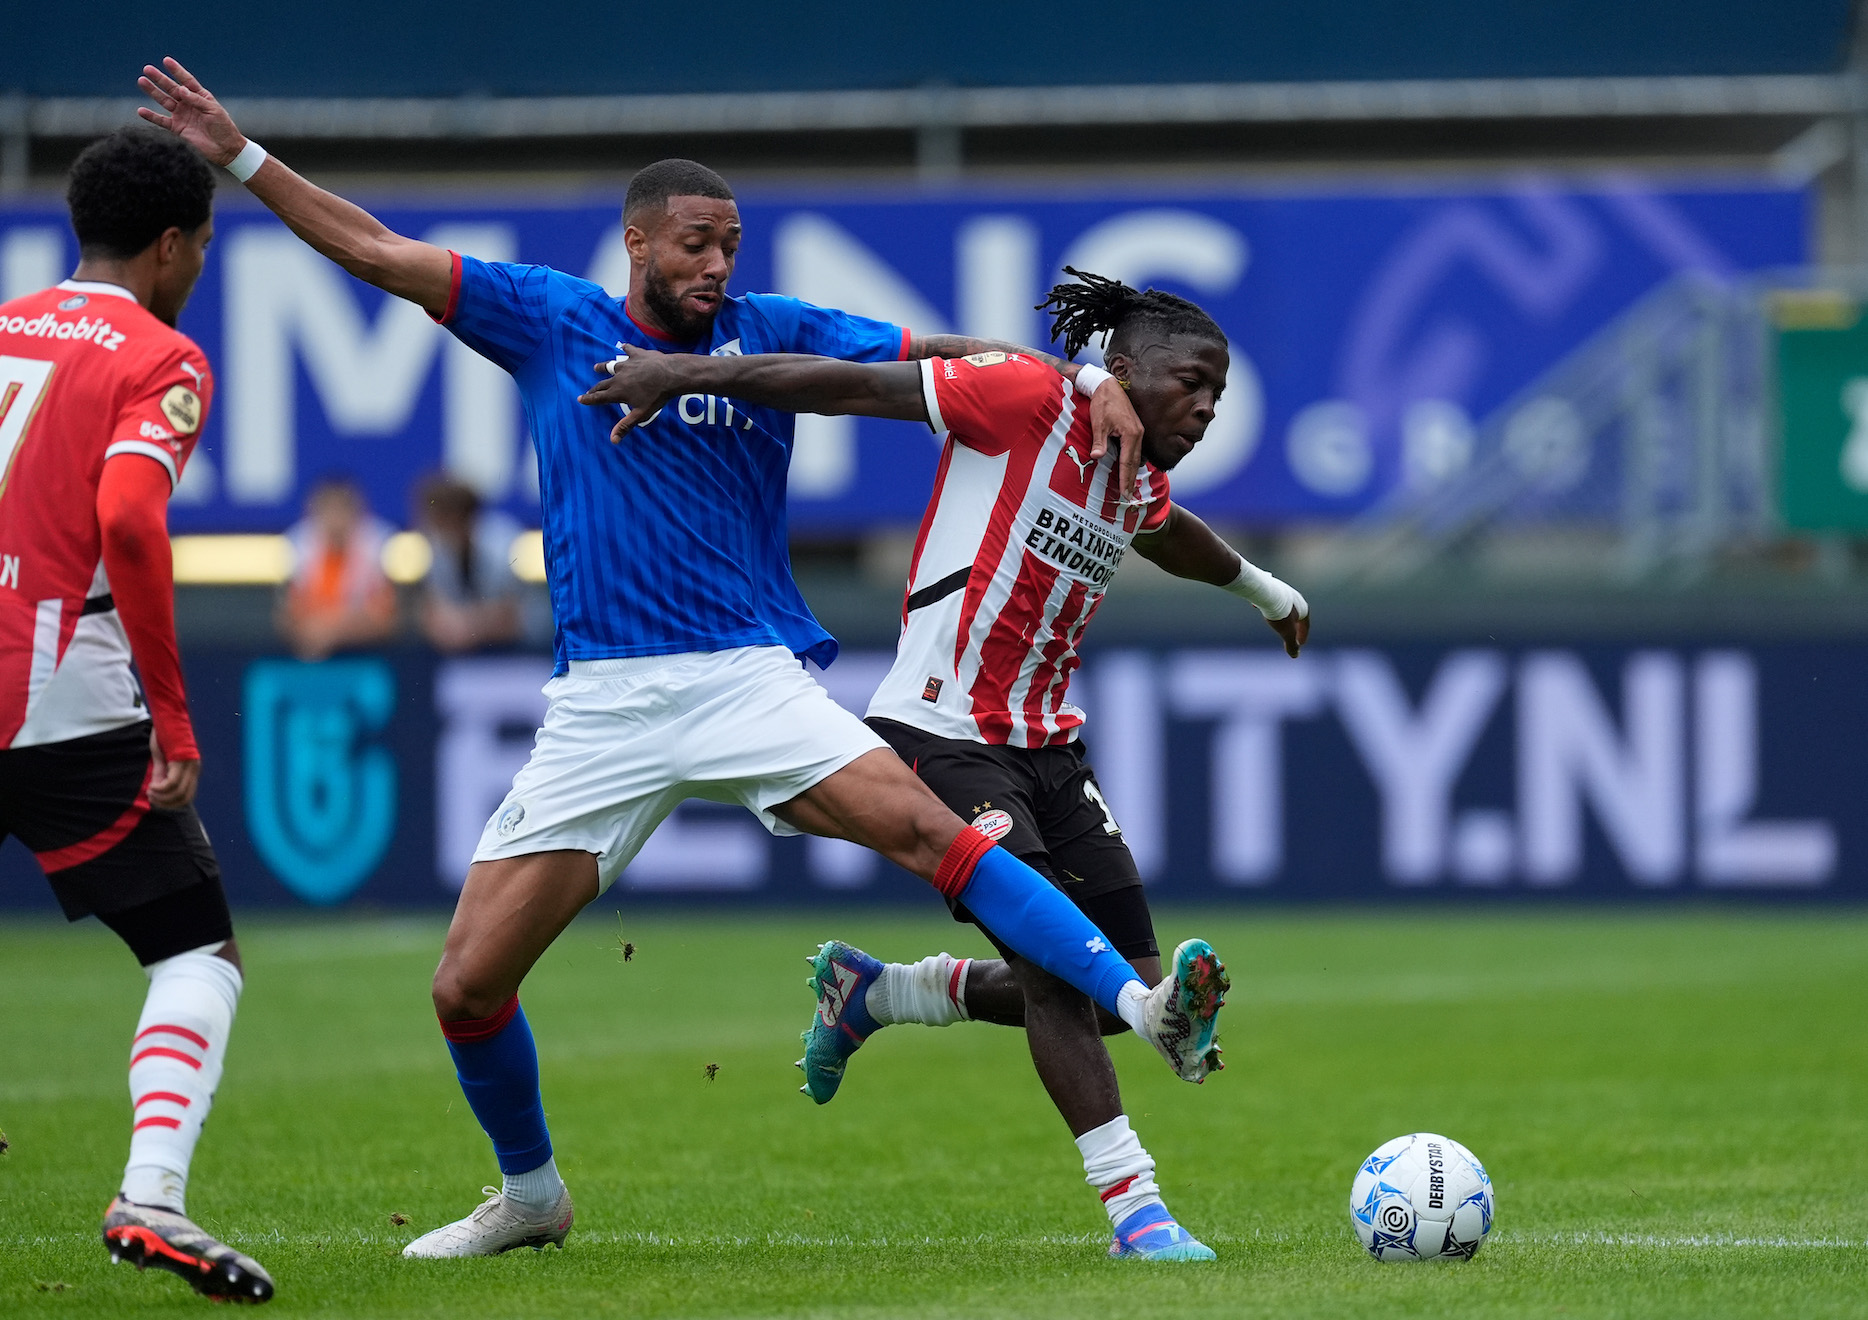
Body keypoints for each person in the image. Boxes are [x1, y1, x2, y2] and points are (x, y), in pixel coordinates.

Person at [138, 57, 1231, 1259]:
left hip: (747, 677)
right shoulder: (551, 318)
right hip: (602, 703)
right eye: (698, 245)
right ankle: (533, 1196)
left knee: (936, 832)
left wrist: (1089, 377)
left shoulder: (772, 336)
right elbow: (377, 251)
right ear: (638, 242)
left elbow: (963, 357)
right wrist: (239, 157)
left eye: (733, 245)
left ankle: (1138, 1004)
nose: (719, 267)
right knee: (465, 988)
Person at [582, 267, 1311, 1262]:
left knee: (1129, 988)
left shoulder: (1136, 473)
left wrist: (1267, 592)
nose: (1207, 408)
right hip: (944, 732)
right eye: (1193, 383)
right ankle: (1135, 1210)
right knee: (1064, 974)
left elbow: (1168, 533)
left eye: (1220, 395)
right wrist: (687, 370)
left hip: (1049, 742)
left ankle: (879, 994)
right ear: (1124, 366)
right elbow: (848, 383)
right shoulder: (1020, 396)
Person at [0, 127, 273, 1302]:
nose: (199, 268)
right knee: (196, 953)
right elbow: (129, 523)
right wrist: (174, 713)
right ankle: (150, 1196)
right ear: (169, 245)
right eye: (201, 248)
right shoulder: (160, 358)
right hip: (69, 692)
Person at [277, 474, 398, 659]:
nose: (336, 519)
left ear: (357, 512)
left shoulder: (379, 545)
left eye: (342, 509)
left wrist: (331, 632)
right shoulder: (297, 545)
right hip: (311, 655)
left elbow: (386, 622)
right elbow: (287, 620)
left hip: (367, 656)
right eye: (328, 510)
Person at [412, 472, 530, 653]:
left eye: (438, 519)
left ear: (456, 518)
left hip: (521, 652)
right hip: (459, 653)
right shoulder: (434, 547)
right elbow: (432, 612)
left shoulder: (503, 543)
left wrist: (467, 627)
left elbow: (512, 617)